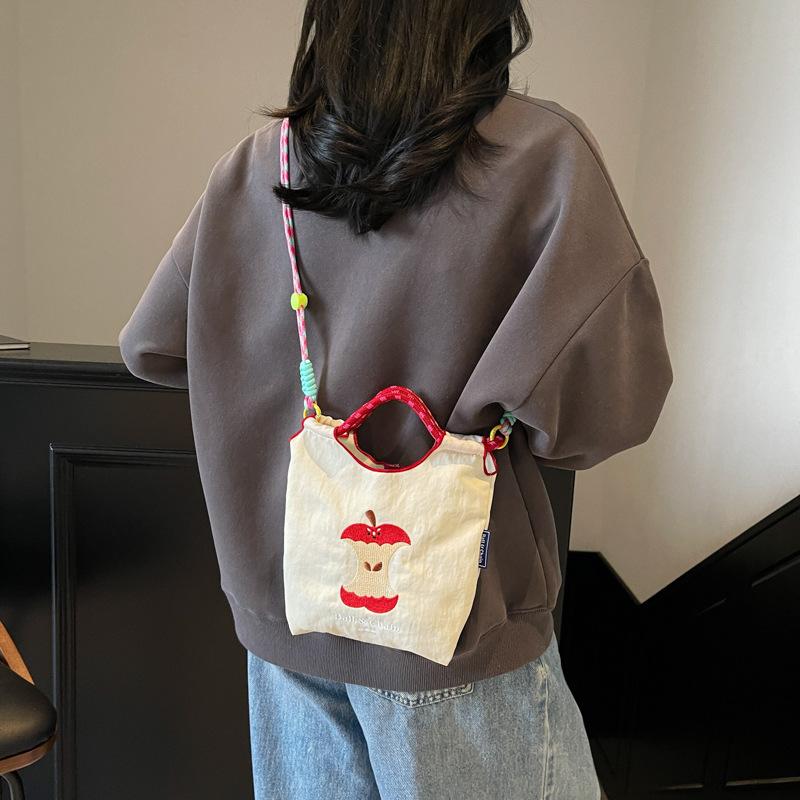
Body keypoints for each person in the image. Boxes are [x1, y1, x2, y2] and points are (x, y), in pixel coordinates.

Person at [118, 2, 673, 798]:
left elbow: (151, 345)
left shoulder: (263, 164)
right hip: (454, 630)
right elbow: (605, 418)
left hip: (290, 624)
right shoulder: (541, 157)